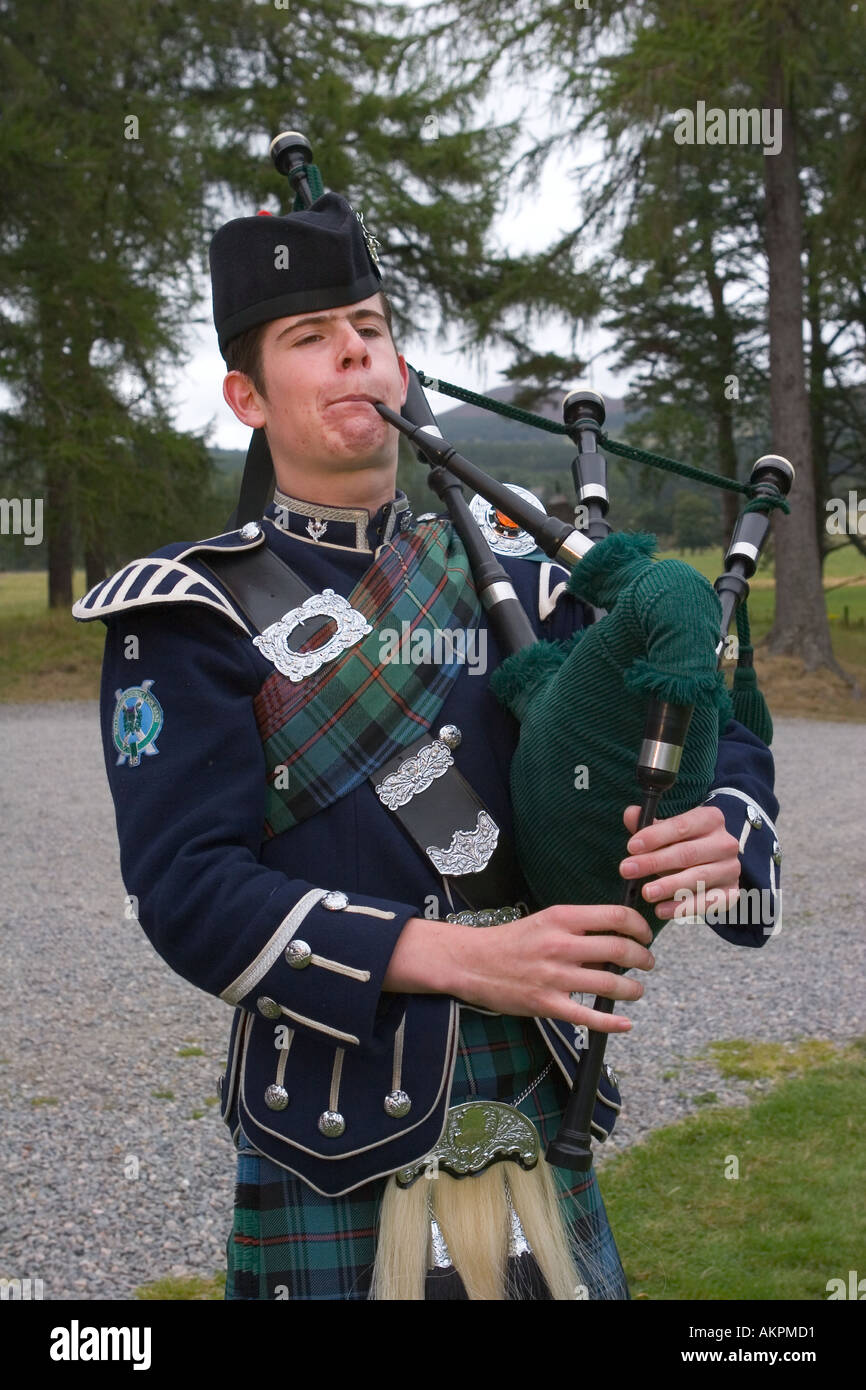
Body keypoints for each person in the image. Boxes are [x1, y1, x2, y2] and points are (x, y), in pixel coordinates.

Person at [74, 192, 782, 1301]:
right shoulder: (188, 613)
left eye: (371, 325)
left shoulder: (532, 578)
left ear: (400, 370)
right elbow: (188, 890)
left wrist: (726, 827)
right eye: (310, 337)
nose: (353, 347)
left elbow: (708, 715)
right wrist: (468, 959)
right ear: (246, 397)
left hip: (533, 1099)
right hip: (331, 1116)